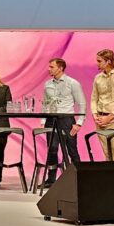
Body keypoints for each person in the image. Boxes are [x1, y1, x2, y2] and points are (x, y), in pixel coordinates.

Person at [40, 58, 84, 188]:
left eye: (52, 67)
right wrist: (43, 120)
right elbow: (45, 103)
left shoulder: (72, 83)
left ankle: (79, 179)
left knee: (72, 150)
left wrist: (79, 123)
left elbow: (82, 103)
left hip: (66, 119)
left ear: (60, 68)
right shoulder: (47, 84)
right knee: (52, 150)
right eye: (49, 66)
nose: (49, 69)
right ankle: (51, 179)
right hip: (51, 120)